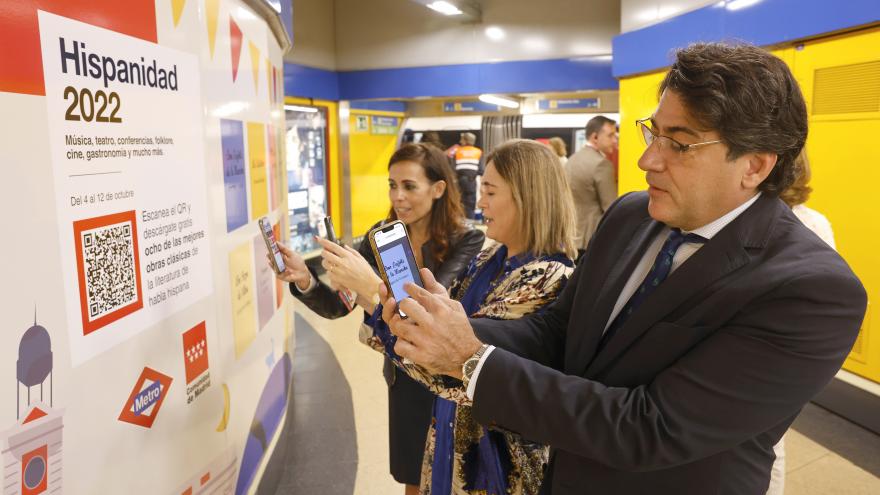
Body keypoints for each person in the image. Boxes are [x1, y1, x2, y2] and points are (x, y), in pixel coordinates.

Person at [380, 42, 867, 494]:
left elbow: (651, 428)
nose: (646, 159)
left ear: (755, 166)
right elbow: (557, 332)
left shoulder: (812, 291)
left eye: (679, 144)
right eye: (653, 132)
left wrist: (470, 360)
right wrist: (452, 329)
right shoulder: (632, 216)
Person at [362, 139, 576, 495]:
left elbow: (453, 365)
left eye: (490, 192)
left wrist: (373, 300)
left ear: (528, 196)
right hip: (448, 441)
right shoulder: (487, 261)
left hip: (494, 464)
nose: (480, 203)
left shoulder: (548, 277)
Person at [273, 143, 485, 494]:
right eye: (392, 185)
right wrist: (305, 279)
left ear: (438, 189)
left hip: (449, 380)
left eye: (409, 186)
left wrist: (370, 285)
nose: (397, 196)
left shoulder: (468, 240)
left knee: (449, 476)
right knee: (411, 475)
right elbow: (339, 304)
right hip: (403, 375)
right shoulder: (379, 236)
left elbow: (427, 310)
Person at [765, 151, 837, 495]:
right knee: (772, 442)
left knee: (765, 442)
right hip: (785, 354)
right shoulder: (816, 222)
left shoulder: (795, 224)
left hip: (771, 351)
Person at [566, 115, 618, 258]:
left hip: (570, 236)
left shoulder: (572, 160)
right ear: (595, 137)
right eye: (611, 135)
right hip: (592, 238)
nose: (615, 140)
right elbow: (610, 208)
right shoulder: (602, 164)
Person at [453, 132, 483, 219]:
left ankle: (460, 224)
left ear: (465, 141)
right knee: (470, 204)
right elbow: (481, 170)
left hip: (459, 182)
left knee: (459, 203)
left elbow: (452, 169)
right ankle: (470, 225)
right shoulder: (478, 152)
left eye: (462, 139)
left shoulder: (457, 152)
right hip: (471, 182)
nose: (460, 141)